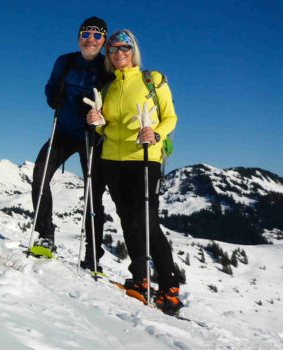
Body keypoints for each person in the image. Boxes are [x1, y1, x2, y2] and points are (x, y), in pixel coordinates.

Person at [86, 29, 182, 314]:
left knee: (147, 221)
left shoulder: (152, 80)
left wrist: (156, 134)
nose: (119, 54)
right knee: (127, 219)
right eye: (113, 50)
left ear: (133, 50)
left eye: (124, 48)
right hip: (112, 159)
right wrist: (97, 120)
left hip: (144, 157)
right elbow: (106, 126)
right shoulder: (107, 88)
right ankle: (139, 279)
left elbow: (171, 117)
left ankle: (169, 286)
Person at [30, 17, 113, 269]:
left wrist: (100, 115)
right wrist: (52, 98)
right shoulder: (64, 62)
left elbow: (117, 103)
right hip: (64, 132)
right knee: (39, 176)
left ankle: (92, 252)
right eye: (86, 34)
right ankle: (46, 235)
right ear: (79, 37)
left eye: (97, 35)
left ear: (104, 41)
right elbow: (50, 86)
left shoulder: (108, 68)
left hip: (92, 137)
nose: (90, 39)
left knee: (93, 194)